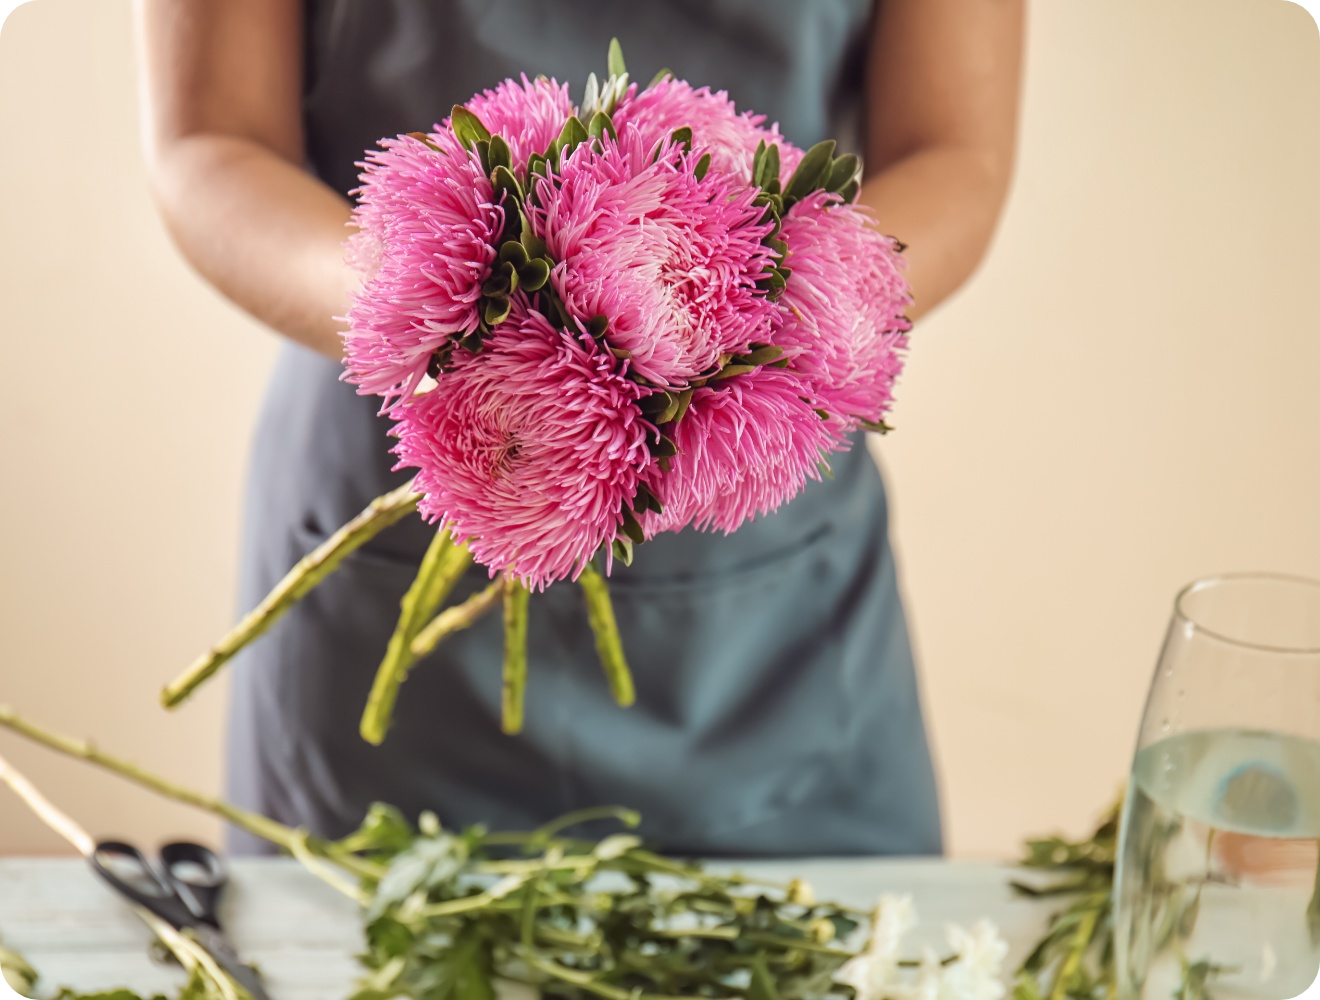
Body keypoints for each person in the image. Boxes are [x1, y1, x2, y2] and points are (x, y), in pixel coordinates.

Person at [136, 0, 1023, 857]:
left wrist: (769, 332)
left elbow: (953, 152)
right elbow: (211, 138)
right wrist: (433, 314)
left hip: (768, 563)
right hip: (392, 465)